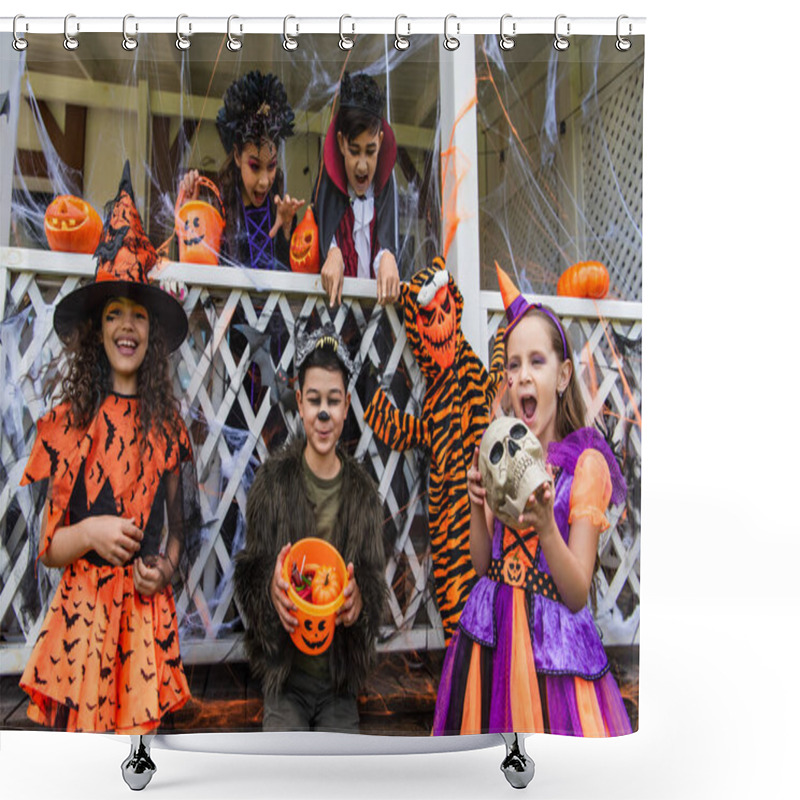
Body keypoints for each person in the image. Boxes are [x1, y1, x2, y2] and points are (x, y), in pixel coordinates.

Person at [18, 162, 200, 789]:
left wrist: (165, 568)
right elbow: (48, 546)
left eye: (139, 315)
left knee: (138, 767)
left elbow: (183, 528)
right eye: (115, 314)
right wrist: (91, 530)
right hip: (83, 622)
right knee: (86, 772)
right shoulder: (69, 424)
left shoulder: (167, 426)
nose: (127, 325)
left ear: (153, 331)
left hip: (142, 619)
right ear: (97, 331)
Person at [432, 265, 632, 737]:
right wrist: (475, 505)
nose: (522, 376)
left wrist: (546, 526)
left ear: (563, 375)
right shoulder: (499, 450)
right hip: (491, 636)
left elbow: (578, 590)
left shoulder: (585, 466)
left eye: (536, 362)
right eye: (513, 364)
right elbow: (482, 565)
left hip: (552, 652)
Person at [234, 324, 387, 732]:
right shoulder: (272, 483)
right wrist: (269, 587)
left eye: (333, 402)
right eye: (315, 400)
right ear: (300, 403)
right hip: (286, 679)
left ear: (346, 406)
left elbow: (373, 578)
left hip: (338, 683)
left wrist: (361, 601)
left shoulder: (364, 494)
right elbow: (249, 568)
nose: (324, 413)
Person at [180, 70, 304, 270]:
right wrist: (190, 211)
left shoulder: (282, 213)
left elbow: (295, 276)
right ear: (237, 156)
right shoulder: (218, 212)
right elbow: (195, 268)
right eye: (255, 167)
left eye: (271, 166)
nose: (264, 180)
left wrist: (287, 231)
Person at [314, 71, 400, 307]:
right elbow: (321, 237)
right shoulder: (327, 186)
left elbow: (387, 241)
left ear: (380, 142)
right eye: (354, 151)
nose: (362, 165)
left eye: (370, 151)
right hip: (336, 322)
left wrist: (388, 256)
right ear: (341, 143)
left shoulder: (385, 189)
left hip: (375, 326)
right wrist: (332, 252)